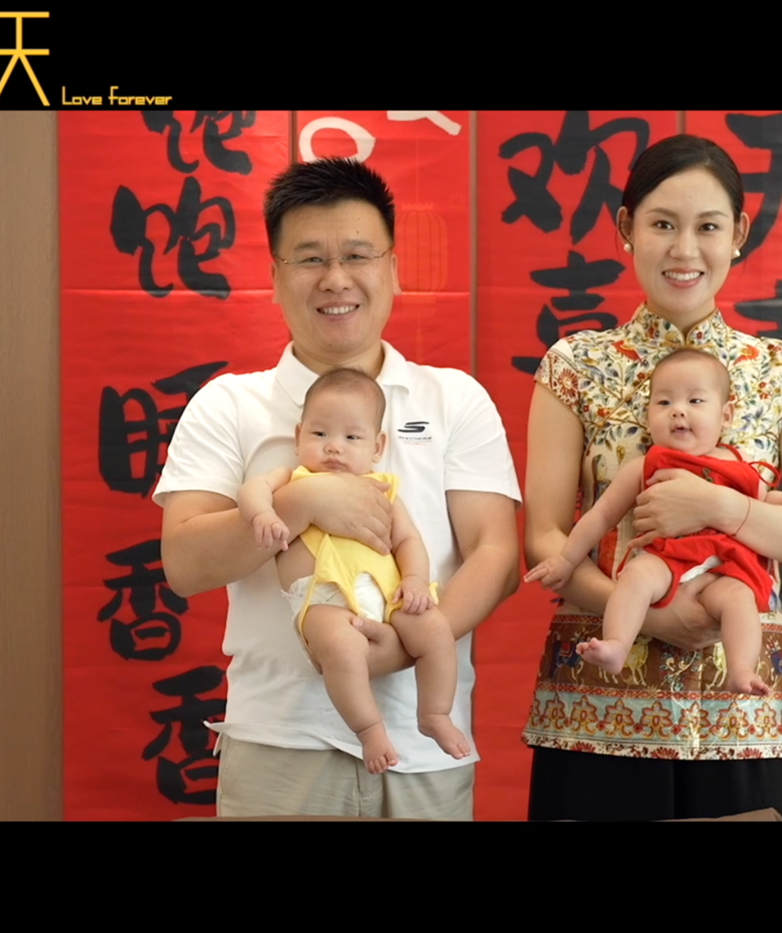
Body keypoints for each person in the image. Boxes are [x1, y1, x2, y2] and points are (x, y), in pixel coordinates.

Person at [154, 157, 521, 820]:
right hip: (280, 744)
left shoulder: (453, 398)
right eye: (309, 259)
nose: (335, 279)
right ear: (274, 276)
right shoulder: (229, 404)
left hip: (425, 748)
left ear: (393, 269)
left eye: (357, 254)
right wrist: (300, 502)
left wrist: (407, 645)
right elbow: (183, 563)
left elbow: (496, 554)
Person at [520, 134, 782, 822]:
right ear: (626, 227)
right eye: (663, 224)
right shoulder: (575, 365)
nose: (684, 249)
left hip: (740, 713)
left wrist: (716, 506)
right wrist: (654, 616)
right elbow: (545, 537)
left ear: (739, 234)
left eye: (708, 227)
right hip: (596, 708)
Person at [523, 348, 782, 696]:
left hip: (723, 566)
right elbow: (601, 516)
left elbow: (764, 499)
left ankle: (742, 668)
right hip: (667, 559)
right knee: (637, 576)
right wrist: (566, 560)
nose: (678, 411)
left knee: (739, 598)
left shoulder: (736, 463)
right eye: (664, 402)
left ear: (726, 415)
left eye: (695, 401)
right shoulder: (646, 465)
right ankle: (617, 644)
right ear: (647, 415)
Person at [238, 368, 470, 775]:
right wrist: (263, 514)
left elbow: (408, 540)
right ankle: (369, 729)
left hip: (388, 592)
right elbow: (251, 490)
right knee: (342, 649)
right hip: (324, 596)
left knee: (435, 631)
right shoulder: (293, 480)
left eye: (352, 437)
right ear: (298, 436)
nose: (334, 447)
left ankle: (434, 713)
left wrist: (415, 579)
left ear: (377, 446)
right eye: (320, 434)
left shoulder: (383, 489)